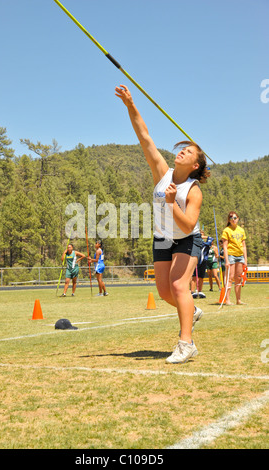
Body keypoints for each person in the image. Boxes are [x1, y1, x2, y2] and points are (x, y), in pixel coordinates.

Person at [115, 84, 210, 364]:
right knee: (166, 292)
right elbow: (145, 137)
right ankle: (190, 311)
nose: (181, 152)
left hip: (187, 239)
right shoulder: (162, 172)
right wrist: (131, 105)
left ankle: (186, 343)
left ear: (195, 165)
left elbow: (189, 222)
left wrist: (170, 204)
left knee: (180, 286)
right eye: (182, 149)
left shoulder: (193, 191)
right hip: (162, 238)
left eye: (189, 152)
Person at [221, 211, 247, 305]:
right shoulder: (226, 230)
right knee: (230, 278)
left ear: (238, 219)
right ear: (229, 220)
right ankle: (227, 300)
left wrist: (245, 260)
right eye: (231, 218)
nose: (233, 219)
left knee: (238, 278)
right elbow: (224, 246)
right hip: (231, 255)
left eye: (235, 218)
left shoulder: (241, 230)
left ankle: (238, 300)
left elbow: (244, 246)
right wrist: (226, 260)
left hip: (240, 256)